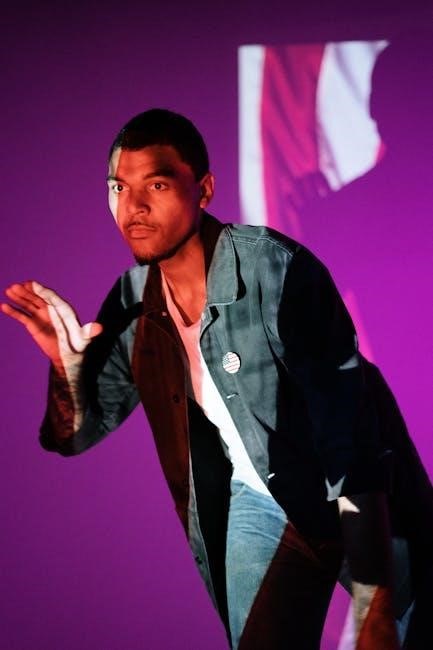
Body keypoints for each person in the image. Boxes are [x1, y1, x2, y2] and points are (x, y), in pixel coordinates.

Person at [2, 109, 431, 649]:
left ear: (203, 189)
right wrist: (66, 369)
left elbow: (349, 434)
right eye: (118, 187)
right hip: (261, 504)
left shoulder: (275, 269)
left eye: (157, 184)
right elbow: (74, 435)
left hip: (355, 495)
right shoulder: (134, 300)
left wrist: (375, 600)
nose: (133, 207)